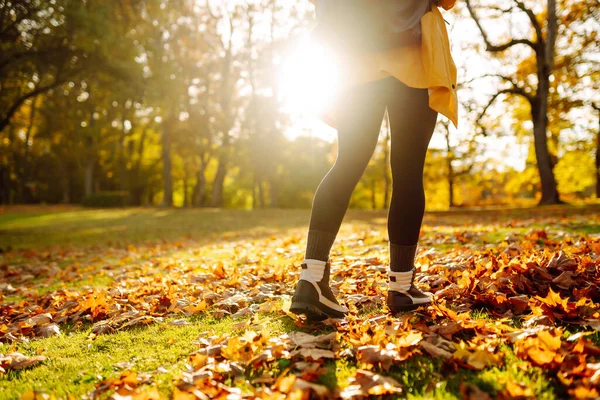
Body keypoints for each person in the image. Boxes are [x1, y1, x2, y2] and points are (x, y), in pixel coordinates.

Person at [290, 0, 458, 320]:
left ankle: (310, 279)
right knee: (408, 172)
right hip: (411, 58)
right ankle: (401, 287)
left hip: (354, 63)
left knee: (347, 163)